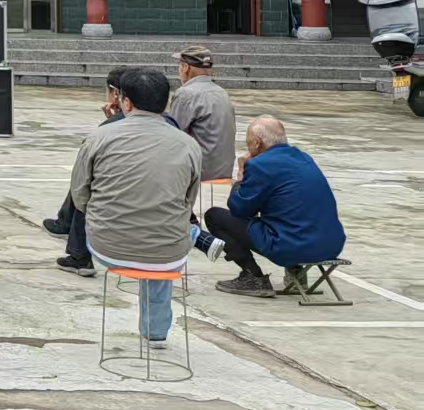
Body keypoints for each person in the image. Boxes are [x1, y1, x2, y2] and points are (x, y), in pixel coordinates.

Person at [71, 68, 201, 347]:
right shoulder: (189, 145)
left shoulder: (99, 137)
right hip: (168, 251)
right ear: (166, 103)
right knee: (168, 239)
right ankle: (156, 331)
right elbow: (189, 200)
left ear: (125, 102)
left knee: (160, 237)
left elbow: (79, 195)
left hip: (108, 246)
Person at [196, 116, 346, 298]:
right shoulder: (305, 158)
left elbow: (239, 209)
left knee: (214, 216)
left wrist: (241, 175)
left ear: (257, 142)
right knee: (289, 215)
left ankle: (253, 277)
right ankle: (297, 273)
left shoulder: (260, 165)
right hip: (331, 245)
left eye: (248, 144)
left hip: (292, 246)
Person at [46, 67, 129, 275]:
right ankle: (64, 223)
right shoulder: (170, 126)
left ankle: (79, 255)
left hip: (119, 202)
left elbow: (83, 182)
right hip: (157, 200)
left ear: (116, 94)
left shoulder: (107, 130)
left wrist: (109, 123)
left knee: (85, 184)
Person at [171, 45, 236, 182]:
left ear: (185, 67)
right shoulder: (222, 92)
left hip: (200, 174)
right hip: (224, 171)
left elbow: (173, 136)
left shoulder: (186, 93)